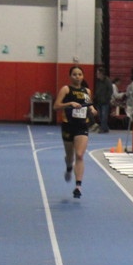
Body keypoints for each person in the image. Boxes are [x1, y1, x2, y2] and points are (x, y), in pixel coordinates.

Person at [53, 65, 98, 199]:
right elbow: (56, 106)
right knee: (70, 156)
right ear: (70, 76)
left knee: (79, 155)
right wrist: (69, 104)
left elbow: (89, 104)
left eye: (79, 74)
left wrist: (93, 110)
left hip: (82, 126)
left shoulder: (87, 91)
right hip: (68, 126)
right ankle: (68, 167)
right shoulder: (66, 89)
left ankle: (78, 186)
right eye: (74, 74)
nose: (77, 77)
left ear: (83, 76)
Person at [92, 66, 114, 134]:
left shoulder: (107, 81)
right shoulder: (98, 81)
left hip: (105, 102)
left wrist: (106, 98)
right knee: (100, 116)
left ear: (101, 73)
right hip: (99, 101)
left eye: (98, 73)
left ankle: (102, 128)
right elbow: (97, 90)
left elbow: (110, 90)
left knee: (104, 116)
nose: (97, 75)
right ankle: (105, 128)